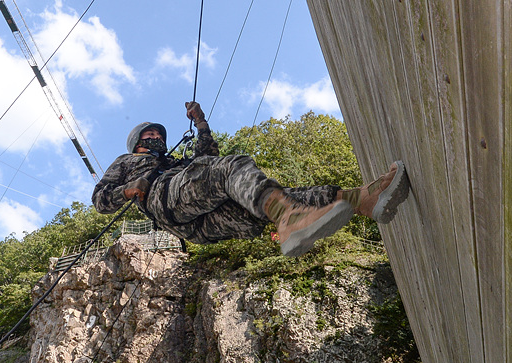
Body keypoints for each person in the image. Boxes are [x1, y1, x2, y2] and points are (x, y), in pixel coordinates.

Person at [91, 101, 410, 257]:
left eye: (159, 132)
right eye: (149, 133)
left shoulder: (175, 161)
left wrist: (201, 123)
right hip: (164, 200)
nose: (156, 135)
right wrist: (127, 190)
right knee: (232, 168)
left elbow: (207, 158)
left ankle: (363, 200)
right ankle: (289, 220)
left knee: (279, 197)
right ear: (137, 144)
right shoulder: (126, 162)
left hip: (200, 224)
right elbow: (99, 198)